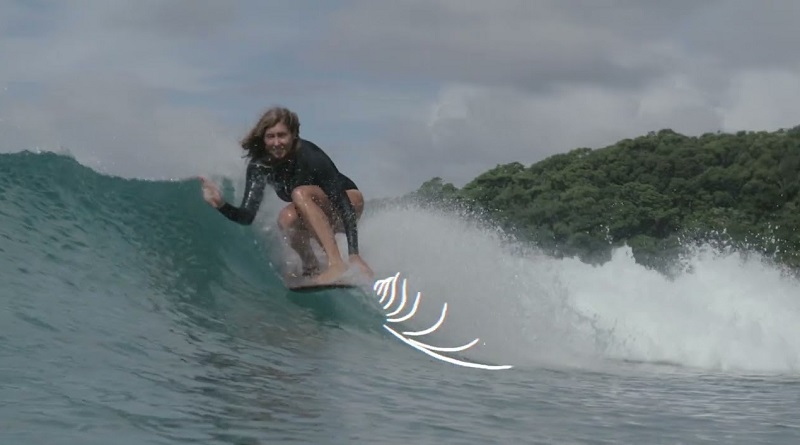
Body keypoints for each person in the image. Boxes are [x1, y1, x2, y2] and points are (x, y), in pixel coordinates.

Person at [199, 106, 373, 285]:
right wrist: (221, 204)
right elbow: (247, 217)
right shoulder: (260, 167)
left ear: (294, 135)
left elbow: (342, 201)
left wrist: (354, 254)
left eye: (282, 135)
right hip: (318, 211)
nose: (276, 142)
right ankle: (311, 267)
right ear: (263, 139)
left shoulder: (310, 155)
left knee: (300, 194)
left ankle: (336, 265)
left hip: (348, 202)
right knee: (286, 219)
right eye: (270, 136)